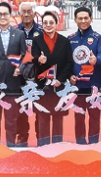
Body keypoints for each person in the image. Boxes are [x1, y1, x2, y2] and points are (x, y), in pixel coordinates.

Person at [0, 2, 27, 146]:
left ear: (10, 15)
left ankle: (11, 147)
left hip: (14, 82)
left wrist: (21, 67)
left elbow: (25, 56)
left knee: (11, 119)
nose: (2, 17)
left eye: (5, 14)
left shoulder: (19, 34)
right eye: (0, 14)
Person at [31, 11, 73, 146]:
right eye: (45, 23)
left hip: (58, 86)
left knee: (58, 118)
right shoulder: (37, 40)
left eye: (51, 23)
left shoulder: (64, 41)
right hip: (43, 86)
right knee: (42, 118)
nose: (48, 25)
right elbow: (33, 59)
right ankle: (42, 148)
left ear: (56, 24)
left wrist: (60, 79)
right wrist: (39, 59)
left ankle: (57, 147)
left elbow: (69, 63)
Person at [67, 7, 101, 144]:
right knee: (79, 117)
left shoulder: (98, 38)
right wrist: (69, 75)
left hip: (94, 85)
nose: (83, 21)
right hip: (77, 86)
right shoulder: (70, 39)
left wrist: (97, 60)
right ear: (75, 20)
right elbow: (67, 61)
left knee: (95, 117)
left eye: (86, 18)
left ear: (91, 19)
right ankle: (80, 144)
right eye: (80, 18)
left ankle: (94, 144)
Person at [15, 2, 43, 146]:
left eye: (29, 11)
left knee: (39, 108)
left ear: (34, 13)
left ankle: (41, 136)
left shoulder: (42, 31)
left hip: (38, 77)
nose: (26, 14)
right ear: (19, 13)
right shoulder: (14, 31)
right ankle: (22, 137)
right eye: (23, 11)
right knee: (21, 108)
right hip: (19, 76)